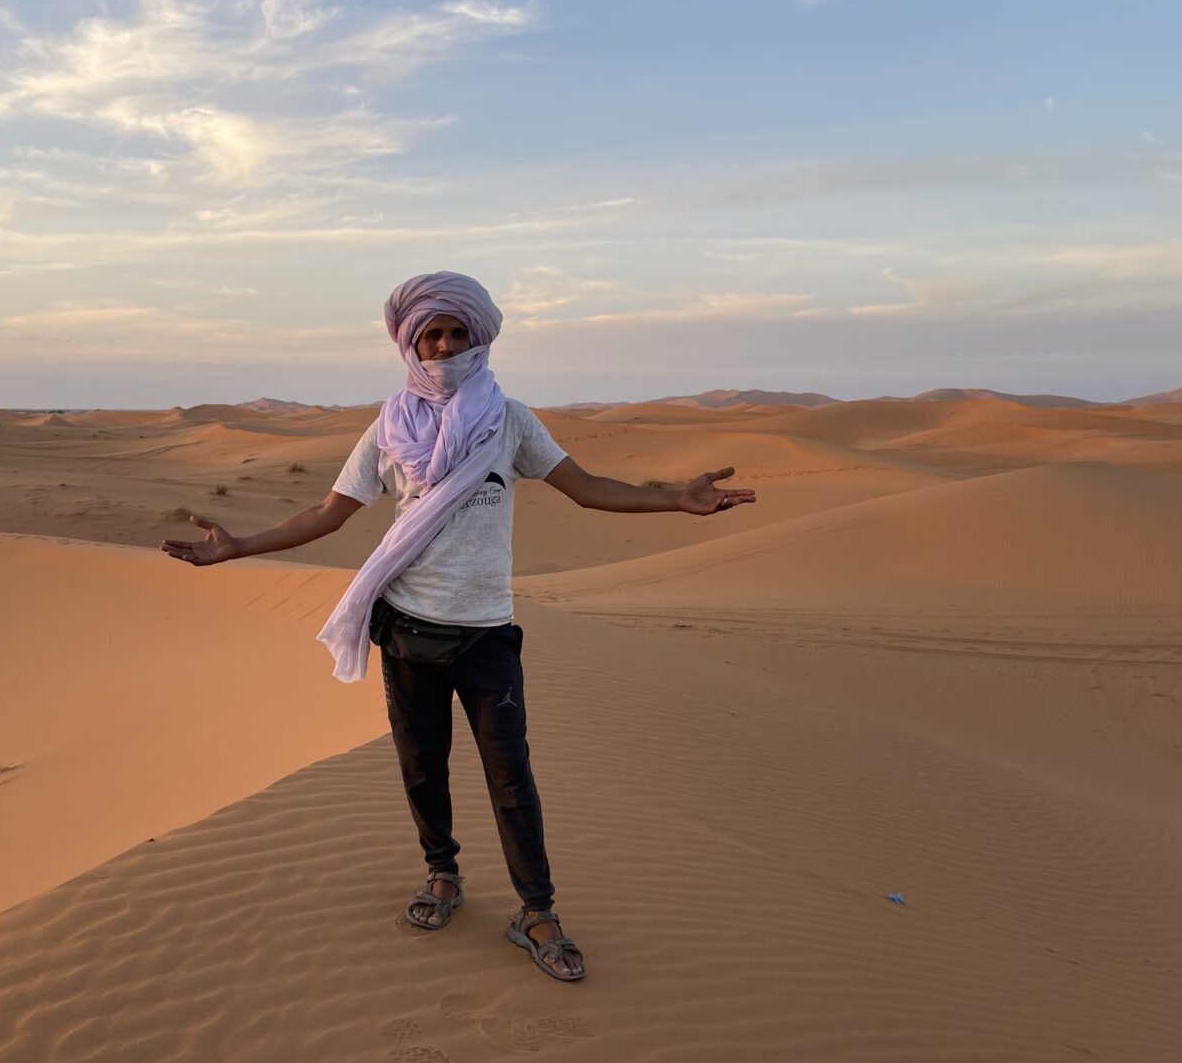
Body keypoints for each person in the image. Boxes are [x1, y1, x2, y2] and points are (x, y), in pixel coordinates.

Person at [161, 271, 755, 983]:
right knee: (422, 768)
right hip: (408, 633)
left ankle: (536, 911)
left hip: (487, 636)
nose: (443, 346)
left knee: (512, 779)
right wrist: (238, 547)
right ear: (410, 343)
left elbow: (586, 488)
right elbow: (326, 514)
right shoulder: (387, 430)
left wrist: (671, 501)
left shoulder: (510, 421)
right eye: (430, 335)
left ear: (479, 338)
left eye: (456, 333)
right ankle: (442, 874)